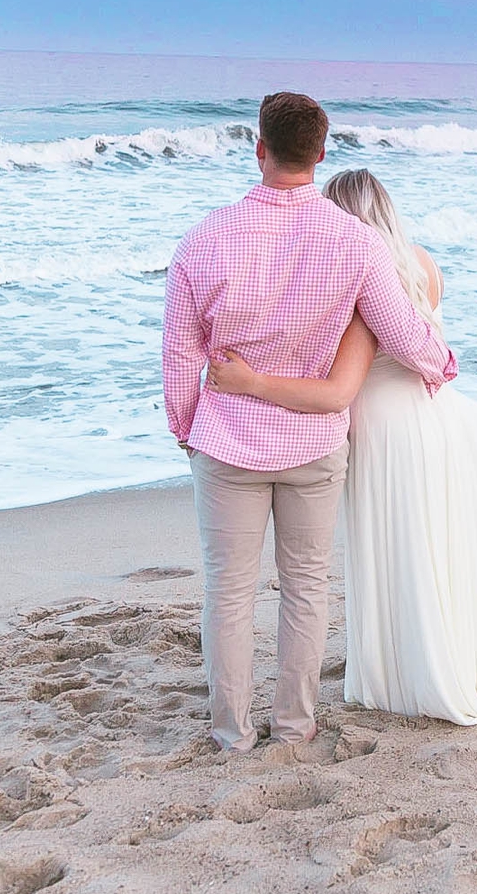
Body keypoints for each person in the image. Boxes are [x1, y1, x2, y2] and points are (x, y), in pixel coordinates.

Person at [206, 168, 477, 727]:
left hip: (387, 430)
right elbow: (432, 348)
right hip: (434, 419)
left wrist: (253, 384)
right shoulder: (423, 265)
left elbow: (342, 386)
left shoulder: (365, 286)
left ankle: (410, 677)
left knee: (402, 550)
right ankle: (436, 659)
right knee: (433, 545)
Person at [161, 93, 457, 753]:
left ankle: (231, 733)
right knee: (306, 585)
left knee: (229, 591)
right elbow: (404, 333)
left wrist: (186, 426)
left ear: (259, 149)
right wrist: (442, 363)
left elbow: (180, 356)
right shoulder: (354, 242)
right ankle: (295, 726)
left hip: (227, 442)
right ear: (321, 156)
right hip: (314, 445)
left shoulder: (204, 239)